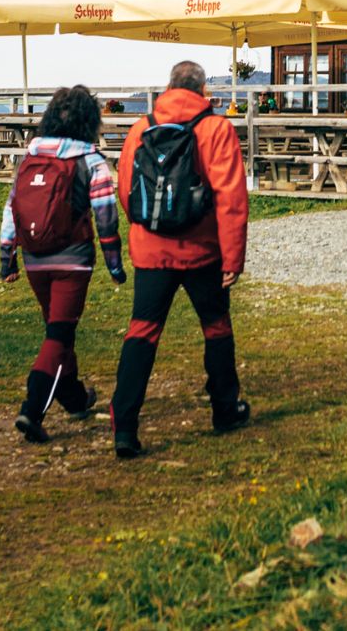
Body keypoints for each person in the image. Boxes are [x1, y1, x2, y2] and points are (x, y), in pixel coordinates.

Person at [110, 60, 251, 458]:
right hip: (202, 249)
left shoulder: (141, 128)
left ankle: (124, 425)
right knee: (216, 327)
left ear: (169, 86)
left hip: (152, 250)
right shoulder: (216, 128)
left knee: (142, 332)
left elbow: (126, 189)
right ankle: (225, 409)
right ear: (203, 90)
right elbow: (230, 198)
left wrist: (146, 230)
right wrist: (232, 258)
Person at [0, 85, 125, 442]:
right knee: (60, 333)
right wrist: (114, 265)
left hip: (34, 256)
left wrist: (7, 259)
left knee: (57, 329)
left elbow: (11, 209)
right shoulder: (91, 160)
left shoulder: (30, 156)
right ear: (90, 121)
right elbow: (105, 216)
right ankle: (32, 409)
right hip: (73, 259)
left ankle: (73, 397)